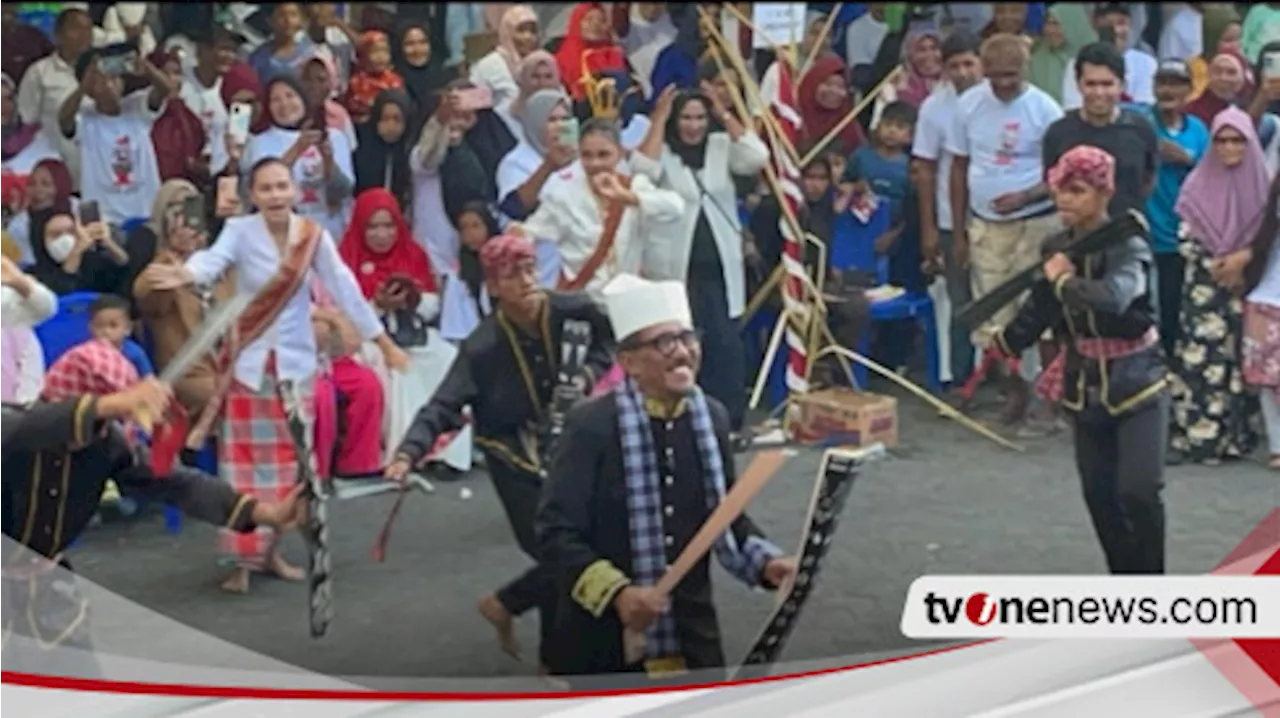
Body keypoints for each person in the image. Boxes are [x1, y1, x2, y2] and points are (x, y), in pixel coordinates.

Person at [139, 157, 408, 595]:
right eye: (266, 188)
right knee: (242, 467)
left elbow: (344, 288)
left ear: (295, 191)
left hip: (296, 367)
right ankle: (239, 559)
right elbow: (212, 262)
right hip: (249, 365)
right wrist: (183, 272)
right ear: (254, 195)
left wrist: (383, 343)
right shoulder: (241, 233)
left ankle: (271, 552)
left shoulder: (312, 237)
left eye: (282, 186)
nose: (276, 195)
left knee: (290, 469)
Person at [536, 273, 797, 682]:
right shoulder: (591, 427)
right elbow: (555, 533)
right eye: (663, 342)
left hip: (692, 632)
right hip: (604, 639)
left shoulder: (710, 417)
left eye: (687, 338)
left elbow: (726, 518)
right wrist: (619, 594)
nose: (682, 352)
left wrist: (768, 563)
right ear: (629, 362)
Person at [384, 232, 615, 678]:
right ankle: (537, 640)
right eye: (513, 275)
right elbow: (443, 405)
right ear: (493, 286)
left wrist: (589, 374)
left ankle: (526, 628)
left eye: (530, 269)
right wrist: (407, 453)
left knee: (568, 550)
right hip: (512, 453)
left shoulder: (575, 310)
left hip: (567, 444)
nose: (527, 281)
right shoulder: (482, 346)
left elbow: (610, 344)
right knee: (556, 553)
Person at [0, 373, 305, 677]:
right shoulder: (14, 425)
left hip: (48, 594)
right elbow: (28, 428)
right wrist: (109, 404)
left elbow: (178, 484)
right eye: (98, 416)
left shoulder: (106, 443)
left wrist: (266, 514)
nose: (98, 430)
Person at [989, 145, 1169, 575]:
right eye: (1061, 190)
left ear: (1103, 193)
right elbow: (1042, 306)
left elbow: (1116, 298)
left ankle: (1154, 588)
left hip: (1138, 382)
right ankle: (1125, 587)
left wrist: (1065, 279)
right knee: (1099, 495)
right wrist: (1008, 341)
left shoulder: (1128, 242)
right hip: (1083, 387)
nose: (1066, 199)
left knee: (1139, 491)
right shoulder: (1056, 246)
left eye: (1078, 190)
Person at [947, 33, 1063, 425]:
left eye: (1010, 76)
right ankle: (1013, 388)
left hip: (1036, 220)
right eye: (995, 76)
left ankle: (1047, 393)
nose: (1003, 84)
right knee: (993, 310)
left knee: (1039, 307)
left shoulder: (1045, 109)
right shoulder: (968, 105)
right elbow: (958, 167)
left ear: (1026, 70)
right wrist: (959, 229)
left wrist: (1026, 197)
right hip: (985, 224)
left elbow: (1059, 174)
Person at [339, 187, 470, 472]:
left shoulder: (413, 253)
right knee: (396, 370)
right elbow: (341, 314)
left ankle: (447, 454)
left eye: (389, 226)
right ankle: (405, 455)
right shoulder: (345, 259)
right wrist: (377, 305)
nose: (382, 234)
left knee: (447, 358)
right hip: (368, 340)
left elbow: (432, 307)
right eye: (373, 227)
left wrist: (414, 298)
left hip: (414, 333)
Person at [1168, 107, 1267, 466]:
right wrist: (1219, 264)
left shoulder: (1263, 187)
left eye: (1237, 140)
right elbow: (1184, 236)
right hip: (1204, 290)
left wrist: (1244, 261)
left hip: (1246, 290)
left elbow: (1268, 239)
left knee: (1241, 362)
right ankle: (1199, 436)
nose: (1228, 147)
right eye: (1221, 140)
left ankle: (1237, 437)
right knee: (1202, 361)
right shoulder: (1197, 183)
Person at [518, 117, 684, 301]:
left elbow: (676, 208)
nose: (595, 163)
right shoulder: (563, 196)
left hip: (628, 299)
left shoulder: (633, 186)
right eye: (587, 155)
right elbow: (528, 234)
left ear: (620, 154)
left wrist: (628, 198)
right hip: (585, 301)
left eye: (603, 154)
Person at [916, 30, 985, 389]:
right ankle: (961, 376)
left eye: (969, 63)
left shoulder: (994, 100)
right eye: (954, 65)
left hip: (993, 217)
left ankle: (998, 374)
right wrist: (929, 227)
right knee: (961, 300)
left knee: (996, 297)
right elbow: (924, 169)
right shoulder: (934, 107)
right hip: (948, 217)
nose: (962, 72)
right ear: (943, 68)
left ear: (981, 64)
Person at [1142, 60, 1209, 358]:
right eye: (1162, 82)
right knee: (1142, 312)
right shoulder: (1141, 123)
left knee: (1172, 309)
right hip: (1142, 234)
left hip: (1178, 236)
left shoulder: (1198, 129)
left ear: (1189, 90)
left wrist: (1188, 160)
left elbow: (1213, 177)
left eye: (1176, 83)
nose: (1167, 90)